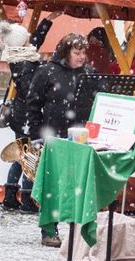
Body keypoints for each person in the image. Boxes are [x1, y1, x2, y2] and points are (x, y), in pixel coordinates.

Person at [26, 32, 94, 246]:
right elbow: (33, 104)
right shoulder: (46, 72)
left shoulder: (88, 74)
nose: (81, 57)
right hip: (52, 137)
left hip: (80, 136)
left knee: (77, 183)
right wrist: (36, 135)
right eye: (77, 52)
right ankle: (49, 230)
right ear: (66, 52)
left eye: (83, 53)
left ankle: (79, 229)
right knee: (52, 184)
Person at [0, 12, 58, 217]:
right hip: (25, 117)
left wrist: (48, 21)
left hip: (20, 116)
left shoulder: (20, 56)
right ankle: (26, 198)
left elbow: (35, 42)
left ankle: (9, 195)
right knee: (30, 156)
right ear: (21, 41)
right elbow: (29, 91)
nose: (30, 39)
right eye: (26, 37)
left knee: (21, 155)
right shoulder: (25, 63)